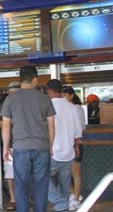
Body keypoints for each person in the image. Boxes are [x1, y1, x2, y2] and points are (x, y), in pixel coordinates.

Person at [1, 66, 55, 212]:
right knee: (41, 185)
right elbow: (51, 126)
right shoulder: (45, 98)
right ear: (35, 79)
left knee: (21, 185)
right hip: (42, 147)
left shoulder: (10, 98)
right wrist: (50, 146)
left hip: (20, 147)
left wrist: (6, 147)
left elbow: (5, 126)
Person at [46, 80, 83, 212]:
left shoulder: (47, 106)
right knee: (64, 183)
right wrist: (76, 147)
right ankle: (64, 207)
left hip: (52, 151)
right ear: (60, 90)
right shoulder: (72, 107)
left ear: (49, 90)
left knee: (40, 177)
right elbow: (78, 133)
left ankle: (60, 202)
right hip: (69, 152)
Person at [0, 81, 20, 211]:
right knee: (10, 173)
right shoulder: (5, 104)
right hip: (11, 144)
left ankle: (23, 198)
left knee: (24, 172)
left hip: (24, 143)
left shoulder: (26, 103)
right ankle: (13, 199)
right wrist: (13, 121)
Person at [62, 86, 86, 210]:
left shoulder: (77, 108)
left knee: (75, 172)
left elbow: (80, 128)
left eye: (66, 94)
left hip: (76, 144)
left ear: (71, 95)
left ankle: (76, 199)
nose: (64, 97)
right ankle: (74, 195)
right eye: (62, 94)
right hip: (65, 144)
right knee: (65, 173)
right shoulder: (64, 109)